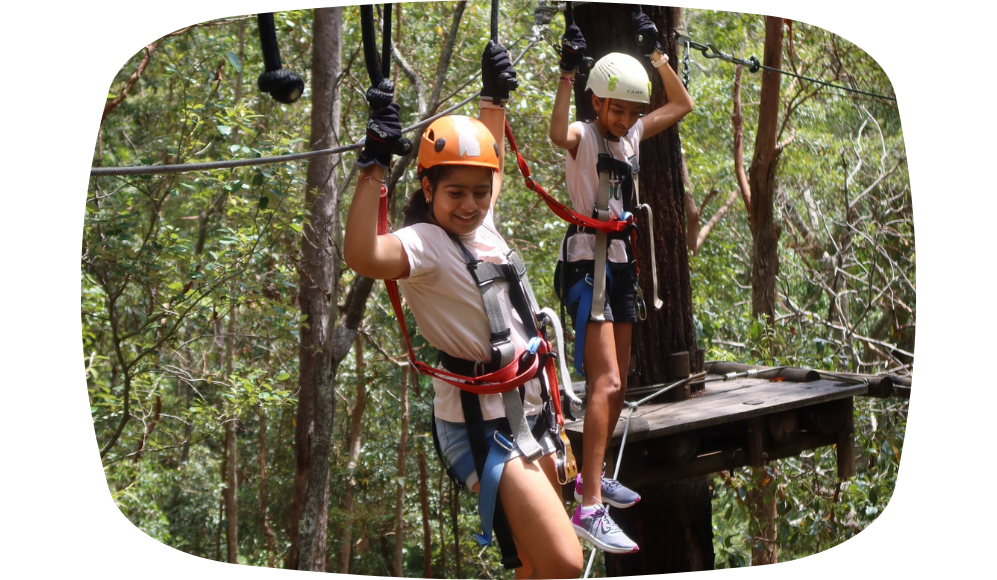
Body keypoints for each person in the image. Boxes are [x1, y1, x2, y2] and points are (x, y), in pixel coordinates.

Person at [344, 40, 583, 579]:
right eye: (456, 192)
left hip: (528, 411)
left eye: (481, 192)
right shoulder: (425, 245)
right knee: (565, 565)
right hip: (483, 424)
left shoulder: (484, 226)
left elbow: (485, 155)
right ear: (427, 188)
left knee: (535, 565)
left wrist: (493, 97)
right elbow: (362, 254)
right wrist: (373, 166)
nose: (472, 204)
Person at [547, 12, 695, 554]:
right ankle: (587, 507)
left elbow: (680, 106)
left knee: (620, 381)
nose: (627, 118)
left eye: (633, 110)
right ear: (597, 104)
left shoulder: (632, 133)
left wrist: (659, 57)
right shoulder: (584, 136)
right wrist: (567, 74)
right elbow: (553, 131)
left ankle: (596, 475)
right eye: (618, 108)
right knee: (605, 382)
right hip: (589, 262)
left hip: (623, 264)